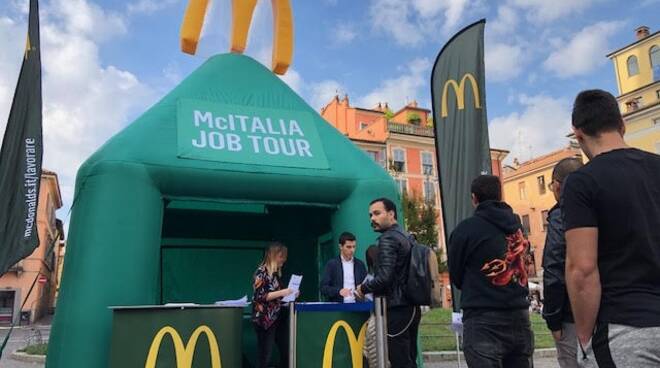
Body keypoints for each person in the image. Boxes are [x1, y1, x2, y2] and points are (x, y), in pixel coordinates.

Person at [563, 89, 660, 367]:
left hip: (624, 328)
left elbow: (582, 269)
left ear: (578, 135)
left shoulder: (583, 182)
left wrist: (583, 337)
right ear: (622, 124)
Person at [447, 175, 533, 368]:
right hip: (519, 314)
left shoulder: (465, 230)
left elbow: (456, 276)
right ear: (500, 196)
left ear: (474, 198)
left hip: (482, 318)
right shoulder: (518, 229)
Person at [357, 197, 421, 368]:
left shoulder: (388, 239)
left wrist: (363, 288)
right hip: (412, 307)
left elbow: (384, 277)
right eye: (371, 215)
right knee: (409, 358)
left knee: (399, 360)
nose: (372, 218)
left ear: (391, 214)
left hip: (396, 308)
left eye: (377, 213)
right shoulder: (406, 236)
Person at [542, 157, 583, 368]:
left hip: (572, 314)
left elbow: (554, 266)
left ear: (557, 185)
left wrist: (553, 319)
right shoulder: (601, 204)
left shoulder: (560, 215)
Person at [252, 242, 296, 368]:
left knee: (286, 351)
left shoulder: (275, 275)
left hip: (277, 318)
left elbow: (278, 296)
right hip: (264, 319)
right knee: (265, 356)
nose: (284, 260)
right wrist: (283, 292)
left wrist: (291, 294)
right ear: (273, 256)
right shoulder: (261, 273)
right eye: (281, 257)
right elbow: (260, 296)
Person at [320, 232, 368, 303]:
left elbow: (366, 285)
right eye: (348, 247)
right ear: (340, 246)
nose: (352, 250)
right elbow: (323, 288)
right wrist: (338, 291)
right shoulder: (332, 264)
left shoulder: (360, 264)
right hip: (338, 307)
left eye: (354, 247)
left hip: (358, 306)